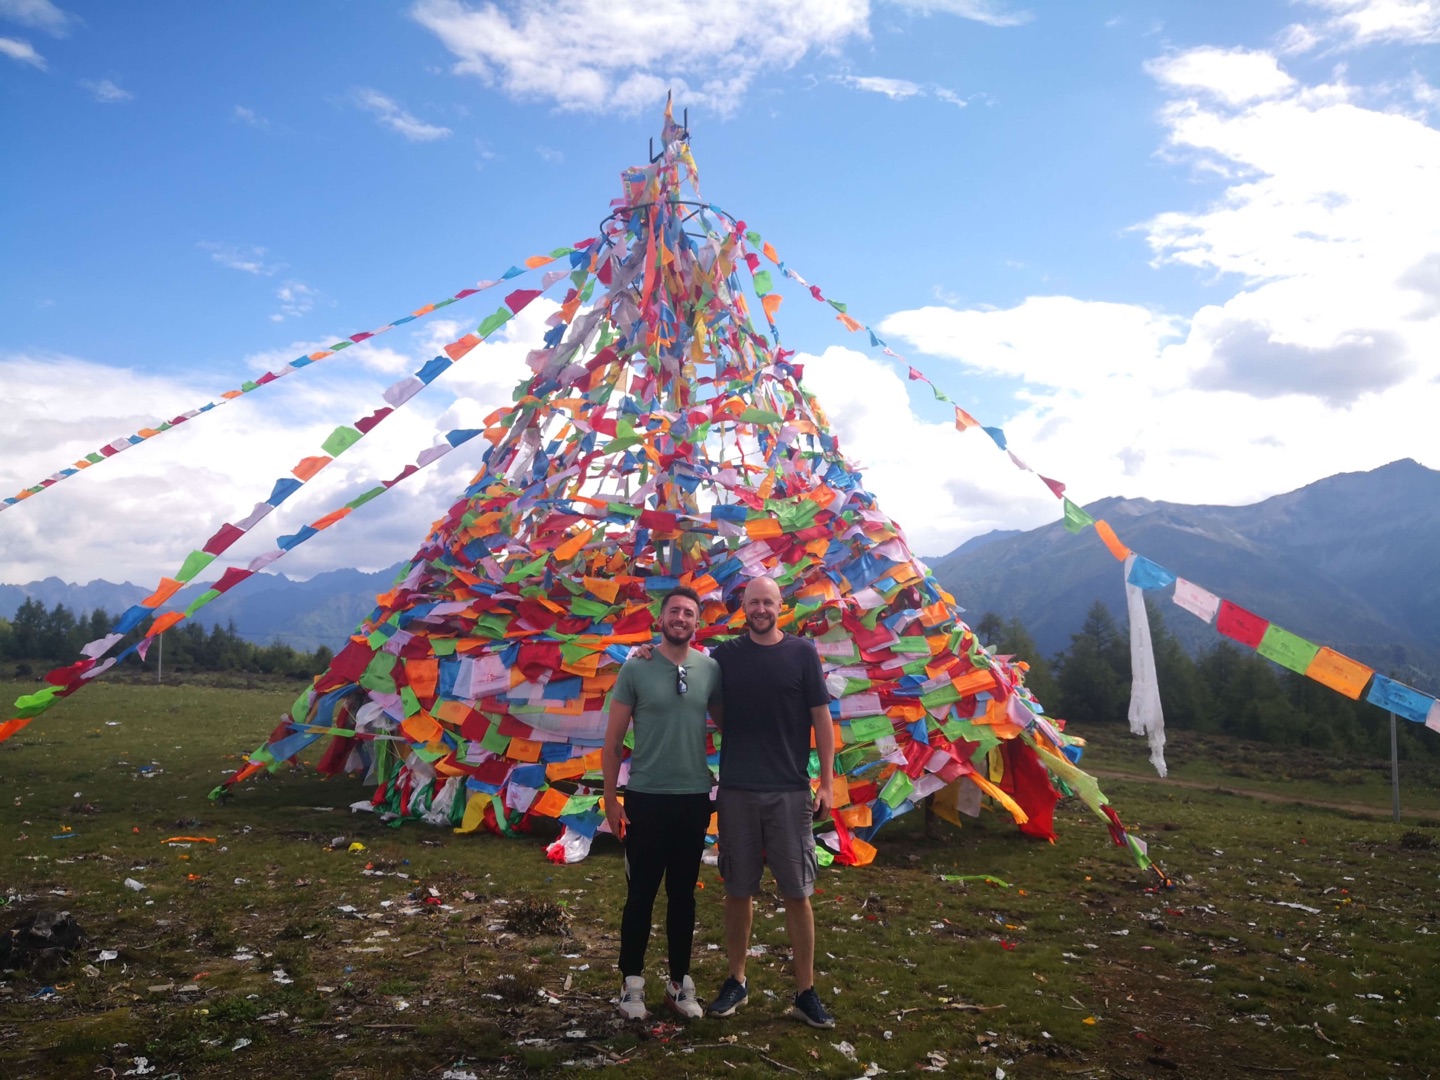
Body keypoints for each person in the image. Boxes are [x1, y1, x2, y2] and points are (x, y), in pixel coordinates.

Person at [706, 575, 837, 1029]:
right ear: (742, 607)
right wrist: (644, 653)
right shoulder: (724, 657)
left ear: (780, 606)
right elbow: (705, 699)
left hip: (790, 790)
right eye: (753, 602)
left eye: (768, 602)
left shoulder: (802, 653)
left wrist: (827, 783)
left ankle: (805, 991)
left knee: (797, 893)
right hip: (738, 790)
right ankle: (736, 980)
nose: (760, 609)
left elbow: (822, 720)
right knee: (737, 889)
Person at [602, 586, 720, 1022]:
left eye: (689, 613)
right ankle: (631, 983)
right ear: (661, 617)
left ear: (697, 622)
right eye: (675, 611)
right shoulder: (636, 668)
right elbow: (613, 741)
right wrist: (611, 799)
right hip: (646, 798)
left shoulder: (710, 669)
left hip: (692, 800)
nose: (681, 618)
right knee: (640, 895)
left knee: (683, 896)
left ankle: (678, 983)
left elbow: (734, 723)